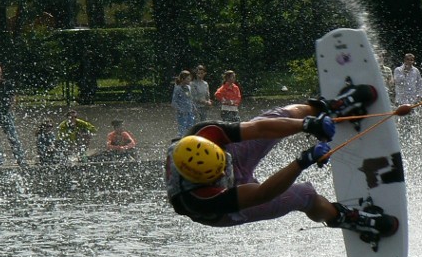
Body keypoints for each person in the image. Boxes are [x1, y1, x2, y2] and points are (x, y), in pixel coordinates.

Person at [165, 83, 399, 239]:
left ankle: (329, 109)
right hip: (228, 205)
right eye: (218, 173)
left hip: (231, 155)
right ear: (208, 180)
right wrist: (302, 160)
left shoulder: (204, 132)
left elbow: (258, 128)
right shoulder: (200, 200)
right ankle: (345, 218)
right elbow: (262, 194)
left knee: (281, 117)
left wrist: (307, 125)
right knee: (304, 195)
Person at [171, 70, 196, 137]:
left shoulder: (189, 87)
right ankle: (180, 142)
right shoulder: (178, 89)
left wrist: (193, 107)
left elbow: (190, 99)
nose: (190, 80)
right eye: (188, 78)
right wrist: (180, 110)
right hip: (182, 114)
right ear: (182, 79)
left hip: (190, 113)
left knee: (191, 129)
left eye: (190, 78)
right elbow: (173, 102)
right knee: (182, 130)